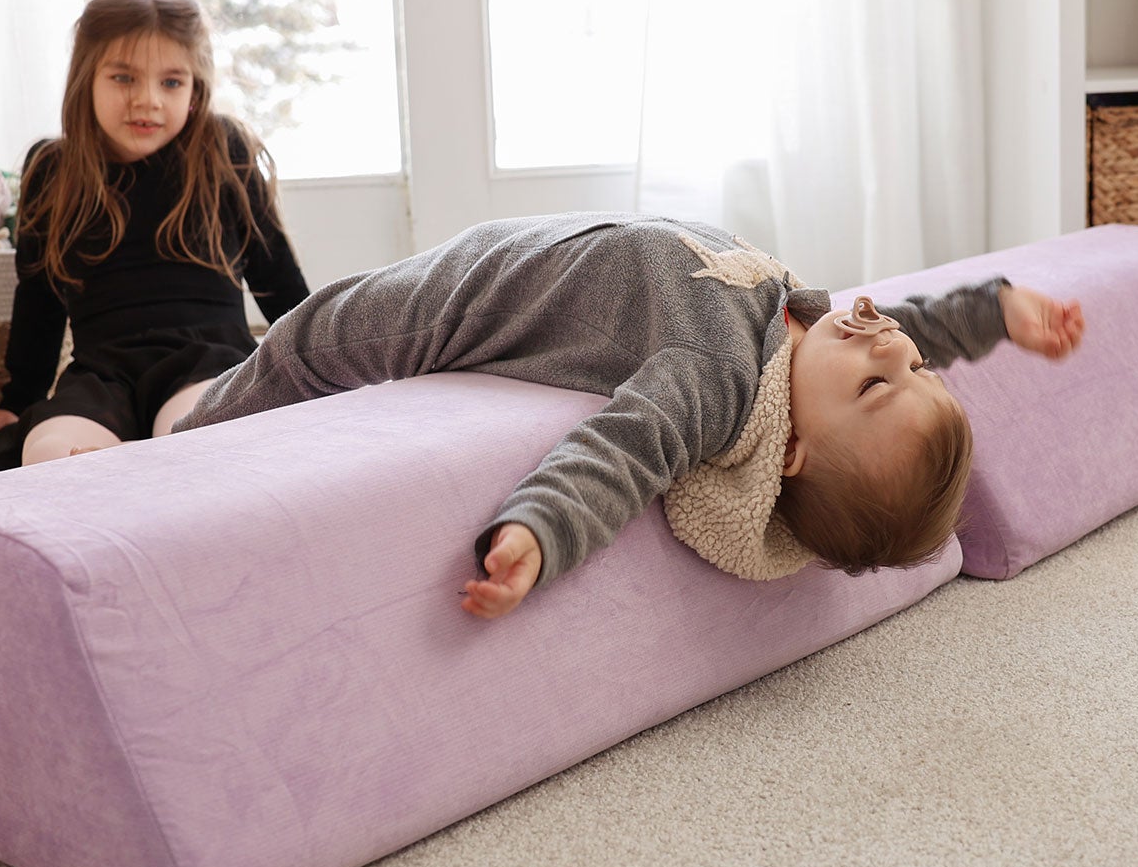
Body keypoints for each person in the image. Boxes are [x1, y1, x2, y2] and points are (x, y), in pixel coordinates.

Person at [174, 214, 1083, 620]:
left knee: (283, 362)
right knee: (269, 357)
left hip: (435, 310)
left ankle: (167, 446)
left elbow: (621, 453)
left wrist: (539, 533)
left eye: (878, 384)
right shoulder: (814, 344)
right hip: (517, 243)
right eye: (914, 365)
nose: (888, 341)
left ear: (793, 451)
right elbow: (910, 332)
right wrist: (994, 312)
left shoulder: (718, 385)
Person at [0, 0, 309, 473]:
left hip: (207, 360)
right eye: (124, 78)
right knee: (48, 451)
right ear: (87, 78)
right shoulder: (54, 168)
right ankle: (126, 473)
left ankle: (151, 469)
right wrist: (18, 401)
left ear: (195, 89)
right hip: (103, 374)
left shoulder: (222, 150)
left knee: (197, 430)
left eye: (171, 83)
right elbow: (39, 300)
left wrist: (319, 366)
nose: (147, 100)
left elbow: (277, 279)